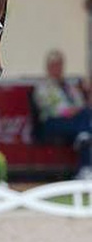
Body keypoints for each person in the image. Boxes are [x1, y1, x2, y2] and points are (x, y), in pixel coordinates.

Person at [33, 49, 92, 178]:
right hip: (53, 122)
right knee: (86, 127)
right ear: (48, 67)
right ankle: (86, 166)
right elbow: (49, 108)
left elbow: (81, 104)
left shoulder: (69, 85)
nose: (57, 68)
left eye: (59, 65)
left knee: (85, 131)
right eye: (54, 65)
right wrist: (71, 111)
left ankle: (86, 167)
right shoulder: (42, 86)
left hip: (75, 122)